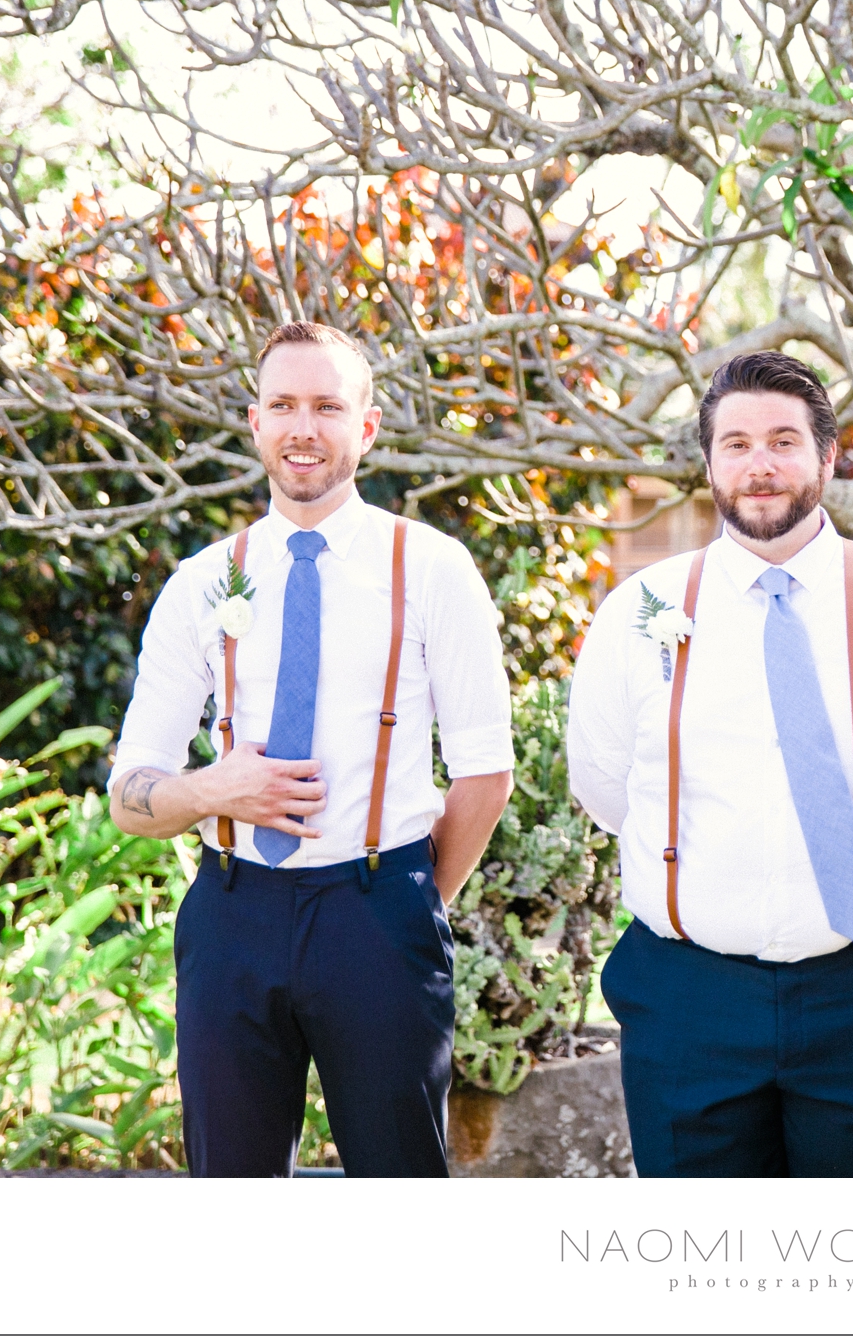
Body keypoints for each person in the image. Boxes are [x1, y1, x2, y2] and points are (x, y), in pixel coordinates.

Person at [567, 350, 853, 1178]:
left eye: (783, 440)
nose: (759, 464)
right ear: (708, 463)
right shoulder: (634, 615)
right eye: (735, 444)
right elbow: (606, 784)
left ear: (827, 457)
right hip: (689, 999)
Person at [108, 321, 513, 1177]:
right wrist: (215, 790)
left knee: (400, 1182)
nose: (303, 427)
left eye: (327, 406)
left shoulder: (431, 567)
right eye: (284, 405)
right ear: (255, 421)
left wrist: (406, 901)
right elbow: (130, 791)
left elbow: (485, 770)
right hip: (231, 915)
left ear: (366, 426)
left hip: (379, 911)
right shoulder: (201, 582)